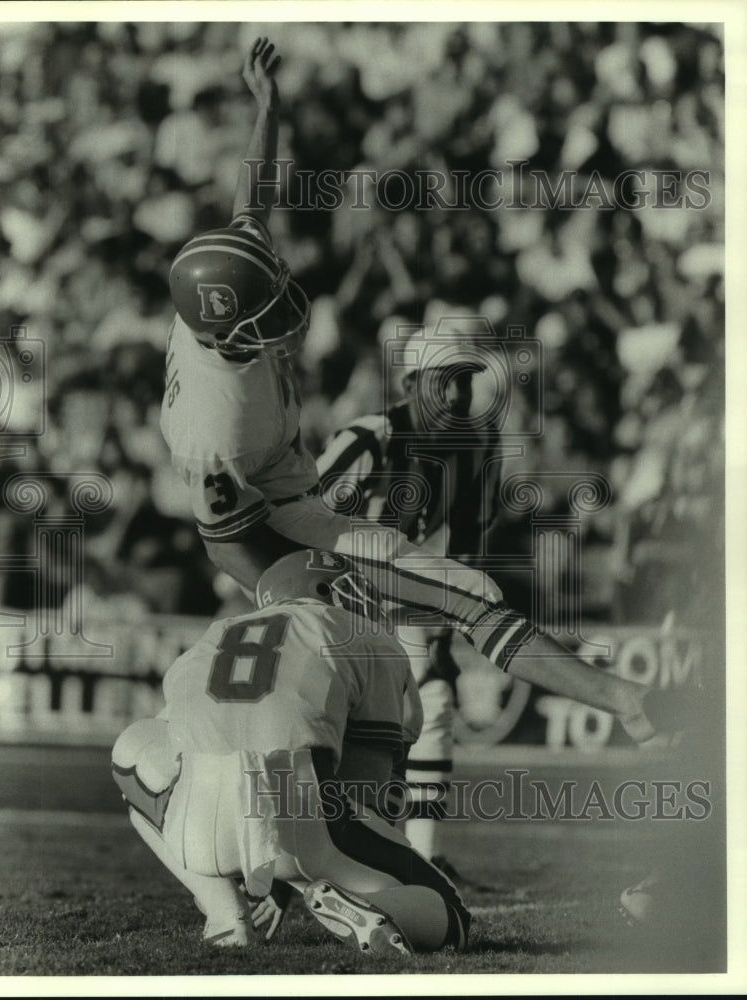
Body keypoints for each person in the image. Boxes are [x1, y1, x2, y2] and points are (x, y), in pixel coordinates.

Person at [159, 36, 693, 758]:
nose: (284, 312)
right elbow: (225, 543)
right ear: (226, 330)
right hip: (273, 526)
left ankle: (623, 699)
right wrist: (293, 589)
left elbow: (252, 191)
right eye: (265, 313)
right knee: (379, 662)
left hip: (301, 498)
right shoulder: (211, 428)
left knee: (462, 591)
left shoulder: (226, 291)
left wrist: (269, 106)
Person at [111, 549, 471, 956]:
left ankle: (224, 913)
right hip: (302, 814)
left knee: (134, 747)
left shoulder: (213, 636)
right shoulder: (362, 633)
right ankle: (370, 909)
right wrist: (304, 869)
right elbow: (366, 792)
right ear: (321, 590)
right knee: (452, 911)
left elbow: (154, 745)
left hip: (196, 829)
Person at [317, 324, 502, 873]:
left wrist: (448, 627)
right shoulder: (369, 438)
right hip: (338, 592)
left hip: (402, 591)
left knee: (435, 700)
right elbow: (303, 521)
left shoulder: (477, 445)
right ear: (411, 382)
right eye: (444, 382)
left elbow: (466, 543)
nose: (456, 396)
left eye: (464, 383)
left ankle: (425, 854)